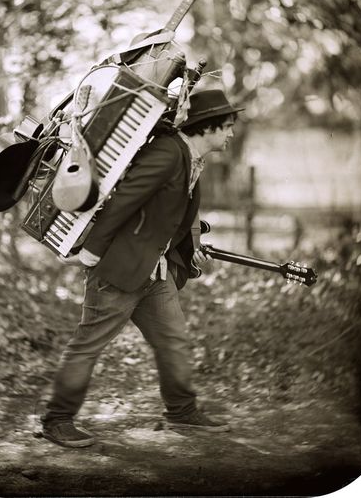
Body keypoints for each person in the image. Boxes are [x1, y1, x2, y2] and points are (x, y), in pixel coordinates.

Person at [41, 88, 244, 448]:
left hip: (155, 271)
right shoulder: (168, 153)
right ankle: (57, 420)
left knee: (173, 340)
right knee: (88, 343)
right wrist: (91, 253)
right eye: (226, 126)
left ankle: (181, 412)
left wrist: (185, 248)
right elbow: (124, 201)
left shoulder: (191, 158)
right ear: (208, 126)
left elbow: (171, 215)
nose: (230, 134)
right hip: (120, 269)